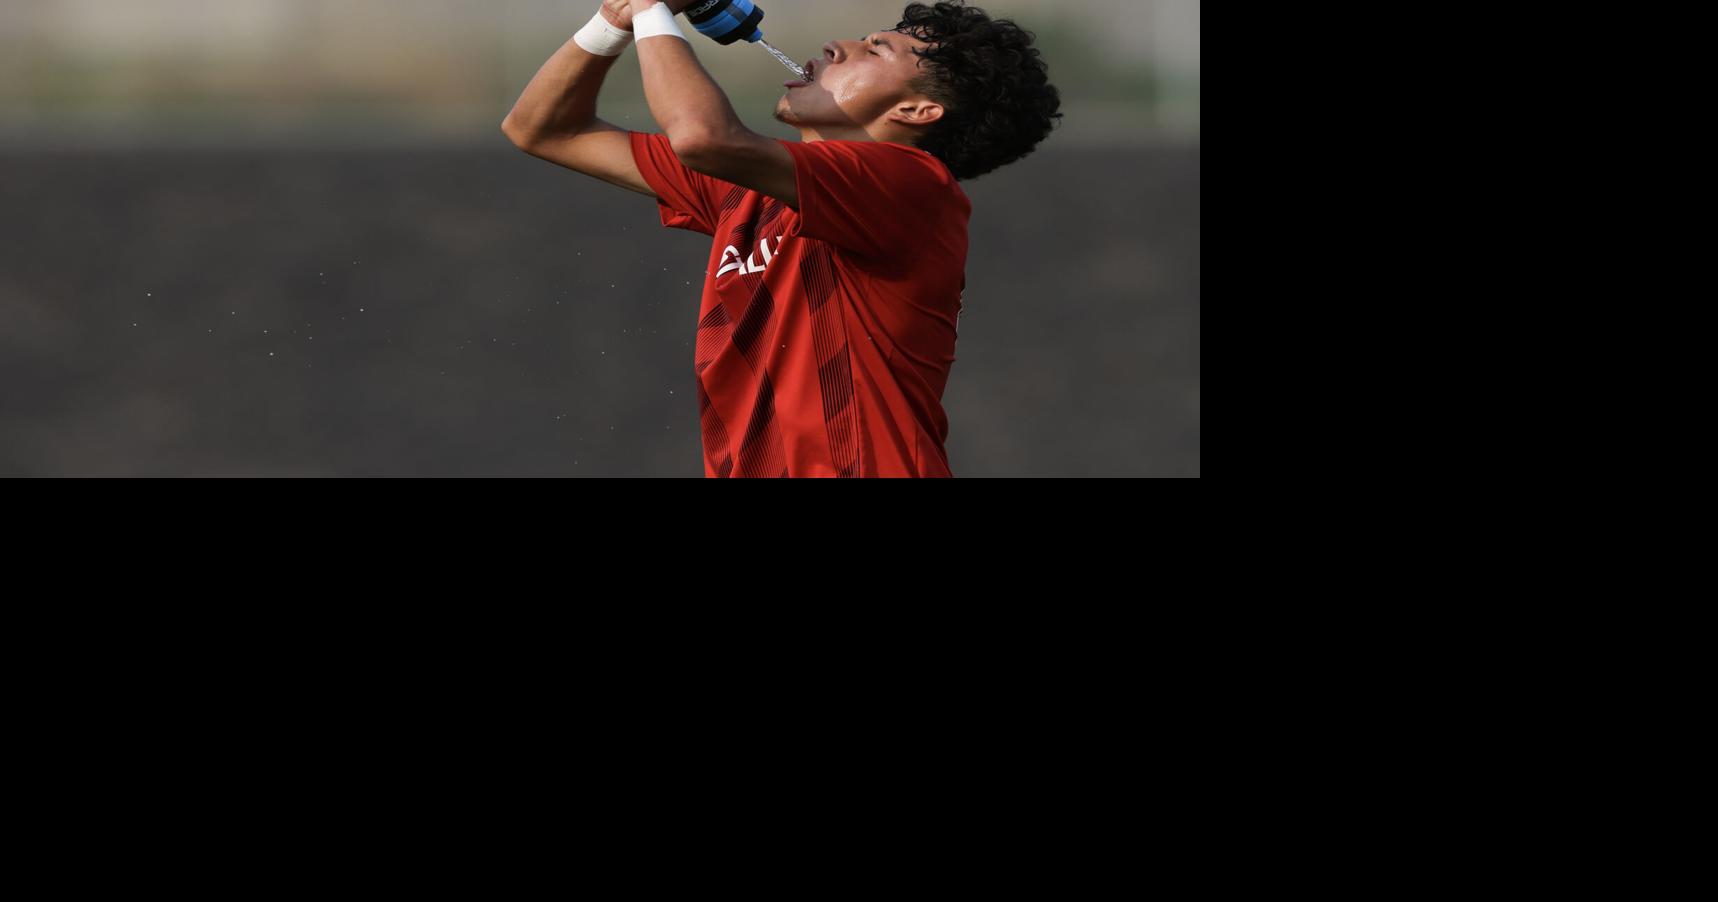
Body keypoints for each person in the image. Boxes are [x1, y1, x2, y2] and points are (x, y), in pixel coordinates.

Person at [503, 0, 1061, 477]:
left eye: (874, 50)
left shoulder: (911, 182)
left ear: (917, 110)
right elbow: (544, 129)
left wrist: (652, 13)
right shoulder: (750, 192)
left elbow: (701, 136)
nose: (837, 46)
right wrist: (611, 21)